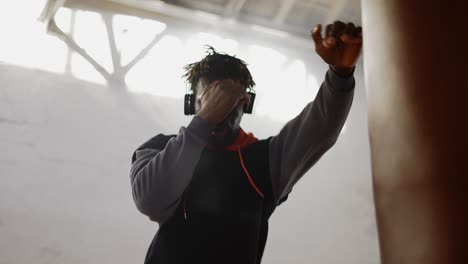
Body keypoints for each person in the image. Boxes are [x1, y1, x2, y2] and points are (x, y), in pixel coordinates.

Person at [130, 21, 363, 264]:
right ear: (191, 104)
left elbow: (320, 127)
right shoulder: (158, 148)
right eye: (211, 98)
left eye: (231, 99)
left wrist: (341, 74)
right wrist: (203, 122)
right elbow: (150, 201)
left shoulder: (265, 160)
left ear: (247, 104)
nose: (221, 110)